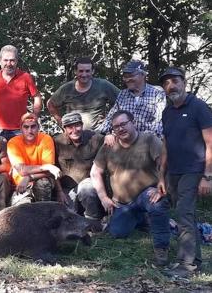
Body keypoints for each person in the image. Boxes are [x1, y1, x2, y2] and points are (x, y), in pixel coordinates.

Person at [85, 110, 170, 267]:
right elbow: (95, 172)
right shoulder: (109, 145)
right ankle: (143, 219)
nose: (120, 129)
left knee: (157, 204)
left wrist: (162, 186)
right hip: (122, 204)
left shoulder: (149, 139)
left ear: (133, 122)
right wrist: (104, 198)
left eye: (124, 124)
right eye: (116, 127)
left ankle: (161, 248)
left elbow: (164, 163)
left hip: (147, 194)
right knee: (117, 232)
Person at [158, 67, 212, 277]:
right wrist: (161, 176)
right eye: (166, 83)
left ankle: (188, 265)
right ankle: (192, 260)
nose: (171, 86)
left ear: (184, 82)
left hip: (194, 170)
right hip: (174, 172)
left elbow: (210, 142)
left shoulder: (198, 107)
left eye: (174, 81)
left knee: (184, 214)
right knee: (184, 215)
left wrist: (207, 176)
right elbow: (165, 145)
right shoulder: (167, 112)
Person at [0, 45, 42, 140]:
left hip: (20, 130)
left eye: (12, 60)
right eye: (5, 60)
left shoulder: (25, 77)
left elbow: (37, 97)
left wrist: (34, 117)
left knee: (19, 155)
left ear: (17, 61)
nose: (9, 63)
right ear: (0, 61)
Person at [100, 60, 166, 144]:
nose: (127, 79)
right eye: (125, 76)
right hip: (124, 139)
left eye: (131, 75)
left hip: (148, 140)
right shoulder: (123, 94)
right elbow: (111, 117)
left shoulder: (157, 92)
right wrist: (106, 133)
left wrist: (142, 138)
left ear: (143, 75)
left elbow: (159, 122)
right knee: (97, 139)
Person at [47, 57, 119, 130]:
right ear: (75, 71)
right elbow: (50, 104)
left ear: (92, 71)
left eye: (87, 71)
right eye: (81, 71)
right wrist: (61, 122)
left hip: (98, 133)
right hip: (73, 134)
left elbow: (122, 99)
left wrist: (110, 119)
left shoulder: (103, 85)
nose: (84, 75)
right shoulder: (67, 88)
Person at [7, 113, 64, 205]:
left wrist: (29, 177)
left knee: (43, 183)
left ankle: (44, 211)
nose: (30, 131)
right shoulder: (13, 143)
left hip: (41, 180)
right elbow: (22, 170)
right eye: (26, 127)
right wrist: (46, 166)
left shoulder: (46, 139)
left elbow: (50, 172)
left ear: (38, 127)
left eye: (33, 127)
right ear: (21, 129)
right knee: (22, 210)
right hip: (20, 185)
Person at [53, 112, 105, 213]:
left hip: (89, 184)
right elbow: (53, 168)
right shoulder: (57, 142)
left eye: (77, 125)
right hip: (67, 188)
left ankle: (94, 222)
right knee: (68, 215)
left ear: (82, 125)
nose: (74, 130)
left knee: (87, 190)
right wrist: (59, 192)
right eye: (70, 127)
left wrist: (110, 136)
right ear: (64, 129)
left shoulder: (95, 139)